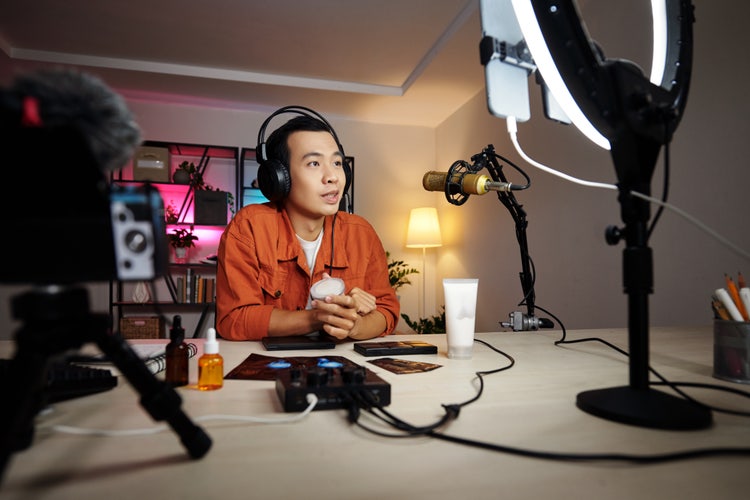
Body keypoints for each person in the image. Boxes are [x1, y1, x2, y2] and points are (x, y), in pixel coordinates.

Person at [215, 108, 399, 341]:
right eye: (314, 163)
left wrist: (353, 325)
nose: (332, 176)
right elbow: (234, 319)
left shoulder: (361, 233)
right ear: (279, 178)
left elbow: (386, 311)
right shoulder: (248, 227)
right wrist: (318, 318)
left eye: (337, 163)